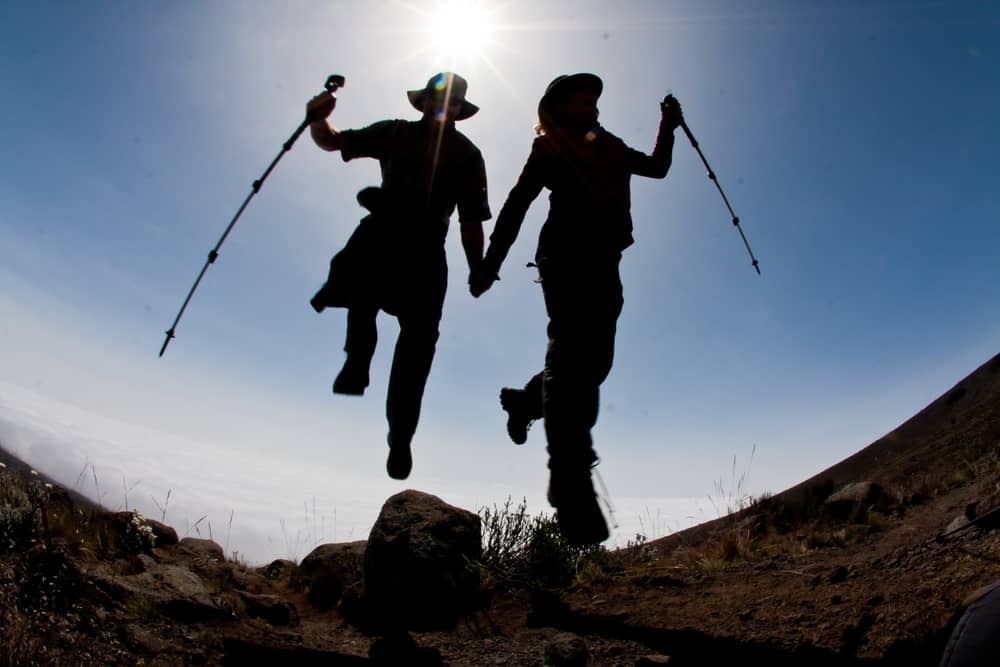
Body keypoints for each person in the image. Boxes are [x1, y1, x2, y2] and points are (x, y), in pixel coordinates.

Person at [469, 73, 682, 545]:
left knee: (593, 364)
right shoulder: (551, 147)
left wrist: (668, 126)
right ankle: (569, 479)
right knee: (571, 353)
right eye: (583, 95)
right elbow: (517, 204)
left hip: (606, 259)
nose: (594, 100)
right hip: (565, 255)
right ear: (561, 105)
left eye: (595, 95)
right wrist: (490, 263)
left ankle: (526, 401)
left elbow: (657, 168)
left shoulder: (609, 144)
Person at [307, 72, 491, 480]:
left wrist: (477, 268)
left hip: (427, 253)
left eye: (453, 102)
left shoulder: (468, 154)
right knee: (362, 285)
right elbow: (334, 142)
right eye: (438, 99)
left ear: (460, 110)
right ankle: (357, 360)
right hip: (385, 235)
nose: (445, 107)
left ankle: (400, 437)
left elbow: (471, 221)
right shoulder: (393, 132)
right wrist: (318, 119)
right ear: (424, 101)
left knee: (417, 351)